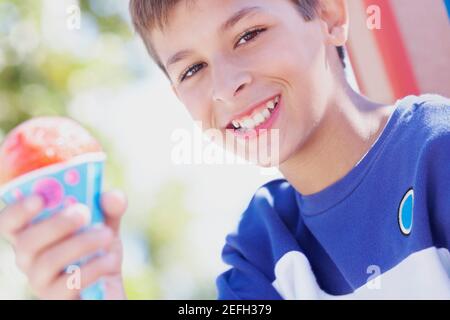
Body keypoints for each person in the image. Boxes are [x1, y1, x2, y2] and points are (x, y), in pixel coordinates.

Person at [0, 0, 449, 299]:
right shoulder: (261, 249)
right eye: (192, 69)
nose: (225, 87)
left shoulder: (435, 152)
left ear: (329, 14)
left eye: (249, 35)